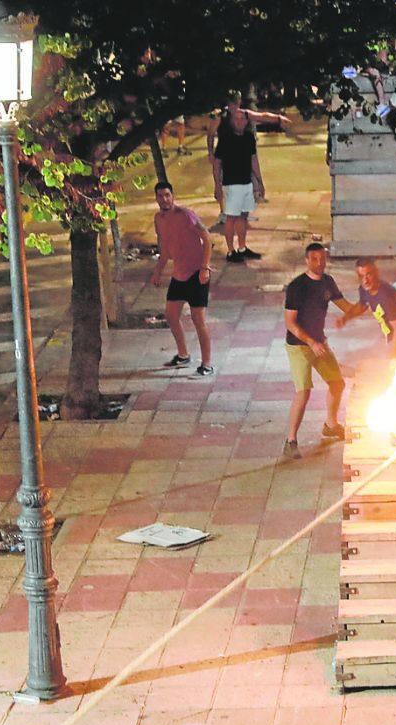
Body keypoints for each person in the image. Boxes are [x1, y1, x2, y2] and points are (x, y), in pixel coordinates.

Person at [282, 242, 356, 460]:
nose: (319, 262)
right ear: (307, 260)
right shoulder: (297, 287)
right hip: (299, 345)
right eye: (314, 259)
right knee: (303, 391)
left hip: (319, 343)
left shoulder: (327, 282)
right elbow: (290, 323)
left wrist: (371, 307)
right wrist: (311, 342)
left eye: (322, 258)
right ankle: (291, 440)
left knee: (337, 383)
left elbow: (345, 306)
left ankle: (331, 425)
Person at [208, 95, 291, 262]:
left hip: (245, 177)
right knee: (231, 215)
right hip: (229, 176)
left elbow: (262, 118)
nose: (240, 119)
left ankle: (242, 247)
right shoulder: (222, 122)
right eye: (233, 102)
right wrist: (211, 156)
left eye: (238, 101)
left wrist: (259, 182)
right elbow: (211, 141)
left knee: (243, 215)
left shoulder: (247, 132)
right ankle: (231, 251)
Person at [149, 181, 214, 377]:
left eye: (167, 195)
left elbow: (207, 238)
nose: (164, 199)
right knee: (171, 315)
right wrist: (158, 271)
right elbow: (165, 248)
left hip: (196, 273)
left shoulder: (186, 215)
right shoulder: (158, 219)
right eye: (160, 196)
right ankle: (183, 355)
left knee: (198, 320)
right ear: (156, 198)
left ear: (173, 195)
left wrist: (205, 267)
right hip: (179, 274)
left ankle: (207, 364)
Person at [335, 257, 396, 357]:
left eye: (368, 275)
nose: (365, 280)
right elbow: (362, 305)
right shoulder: (364, 288)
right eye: (361, 276)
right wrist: (345, 318)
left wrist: (392, 357)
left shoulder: (386, 295)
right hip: (394, 337)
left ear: (376, 273)